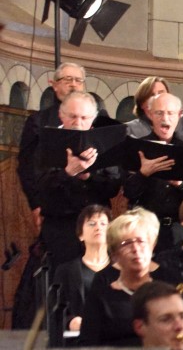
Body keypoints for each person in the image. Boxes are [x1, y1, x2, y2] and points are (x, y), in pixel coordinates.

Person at [33, 90, 123, 267]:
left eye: (84, 117)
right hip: (60, 229)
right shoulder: (45, 143)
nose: (78, 123)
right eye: (73, 116)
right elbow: (40, 190)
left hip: (96, 228)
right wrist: (67, 173)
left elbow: (113, 188)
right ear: (61, 115)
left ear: (93, 119)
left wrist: (90, 176)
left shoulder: (105, 143)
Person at [78, 209, 179, 346]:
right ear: (114, 254)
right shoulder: (101, 297)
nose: (136, 249)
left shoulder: (169, 288)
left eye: (141, 241)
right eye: (127, 244)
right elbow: (87, 344)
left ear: (152, 247)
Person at [124, 92, 183, 250]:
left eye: (170, 113)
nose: (165, 118)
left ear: (179, 115)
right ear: (150, 114)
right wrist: (143, 174)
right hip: (145, 231)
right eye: (159, 113)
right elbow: (128, 192)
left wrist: (181, 184)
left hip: (179, 231)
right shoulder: (138, 148)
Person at [17, 62, 91, 219]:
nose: (73, 85)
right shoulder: (39, 120)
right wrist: (35, 204)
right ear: (54, 85)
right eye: (68, 80)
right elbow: (26, 166)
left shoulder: (96, 120)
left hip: (91, 208)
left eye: (78, 80)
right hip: (54, 210)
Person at [50, 204, 111, 332]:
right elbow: (55, 309)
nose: (98, 227)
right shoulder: (65, 271)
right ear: (80, 235)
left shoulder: (122, 268)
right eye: (91, 223)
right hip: (79, 340)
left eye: (103, 224)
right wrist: (70, 322)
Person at [124, 76, 183, 142]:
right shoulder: (128, 130)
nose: (157, 98)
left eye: (161, 93)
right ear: (141, 103)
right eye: (151, 95)